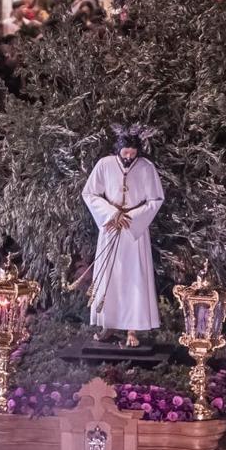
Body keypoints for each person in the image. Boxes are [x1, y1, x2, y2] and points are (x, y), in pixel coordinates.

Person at [81, 125, 165, 347]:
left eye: (133, 153)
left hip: (134, 232)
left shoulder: (147, 168)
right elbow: (89, 193)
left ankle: (132, 329)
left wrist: (134, 217)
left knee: (134, 278)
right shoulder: (104, 165)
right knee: (109, 275)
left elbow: (155, 199)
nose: (129, 157)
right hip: (110, 228)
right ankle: (107, 323)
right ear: (118, 149)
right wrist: (111, 213)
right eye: (125, 152)